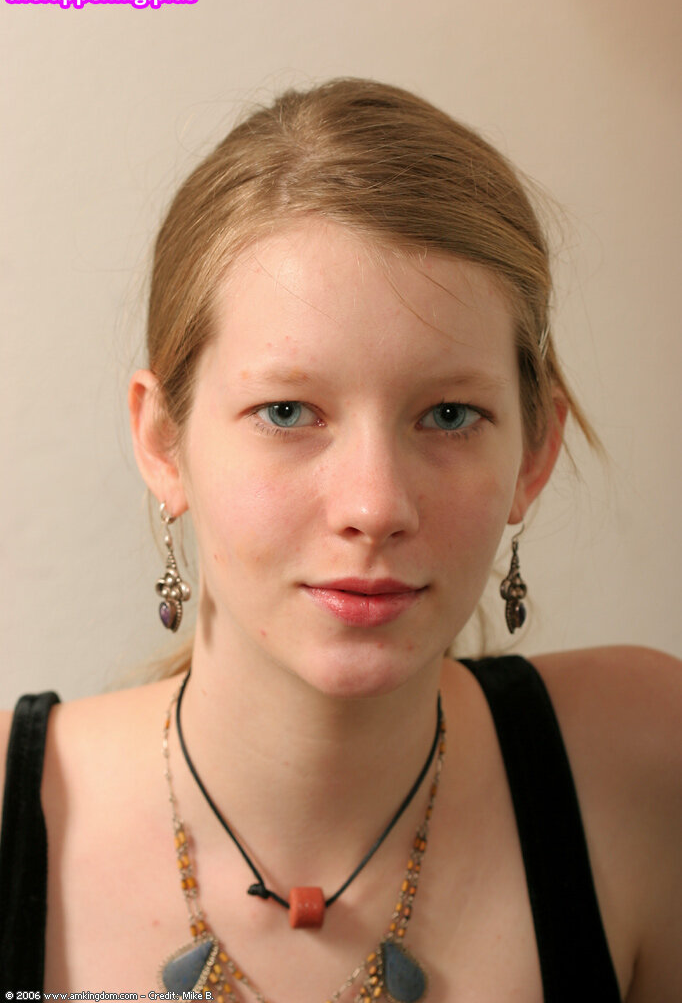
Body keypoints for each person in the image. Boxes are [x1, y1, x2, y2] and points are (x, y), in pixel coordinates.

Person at [0, 78, 680, 1002]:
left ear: (534, 451)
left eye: (449, 414)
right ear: (163, 442)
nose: (375, 505)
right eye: (288, 411)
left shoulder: (646, 767)